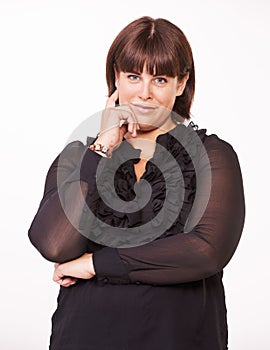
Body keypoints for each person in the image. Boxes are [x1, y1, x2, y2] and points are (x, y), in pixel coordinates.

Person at [28, 16, 245, 350]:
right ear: (116, 77)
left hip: (179, 338)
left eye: (159, 78)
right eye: (132, 76)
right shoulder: (80, 157)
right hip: (84, 337)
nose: (144, 93)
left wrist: (94, 264)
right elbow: (54, 245)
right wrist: (101, 149)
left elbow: (205, 251)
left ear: (181, 82)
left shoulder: (211, 156)